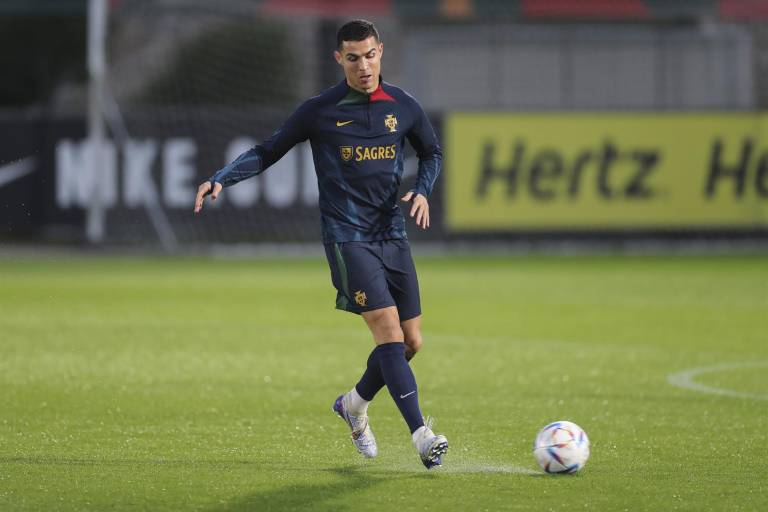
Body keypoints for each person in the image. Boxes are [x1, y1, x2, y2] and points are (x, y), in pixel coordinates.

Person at [193, 19, 447, 469]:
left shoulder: (403, 105)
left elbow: (432, 152)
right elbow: (268, 150)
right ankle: (422, 436)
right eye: (353, 58)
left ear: (381, 52)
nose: (364, 66)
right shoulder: (320, 110)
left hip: (392, 233)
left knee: (411, 342)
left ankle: (352, 405)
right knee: (388, 331)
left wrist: (423, 188)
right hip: (347, 238)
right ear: (339, 60)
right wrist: (221, 179)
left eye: (370, 55)